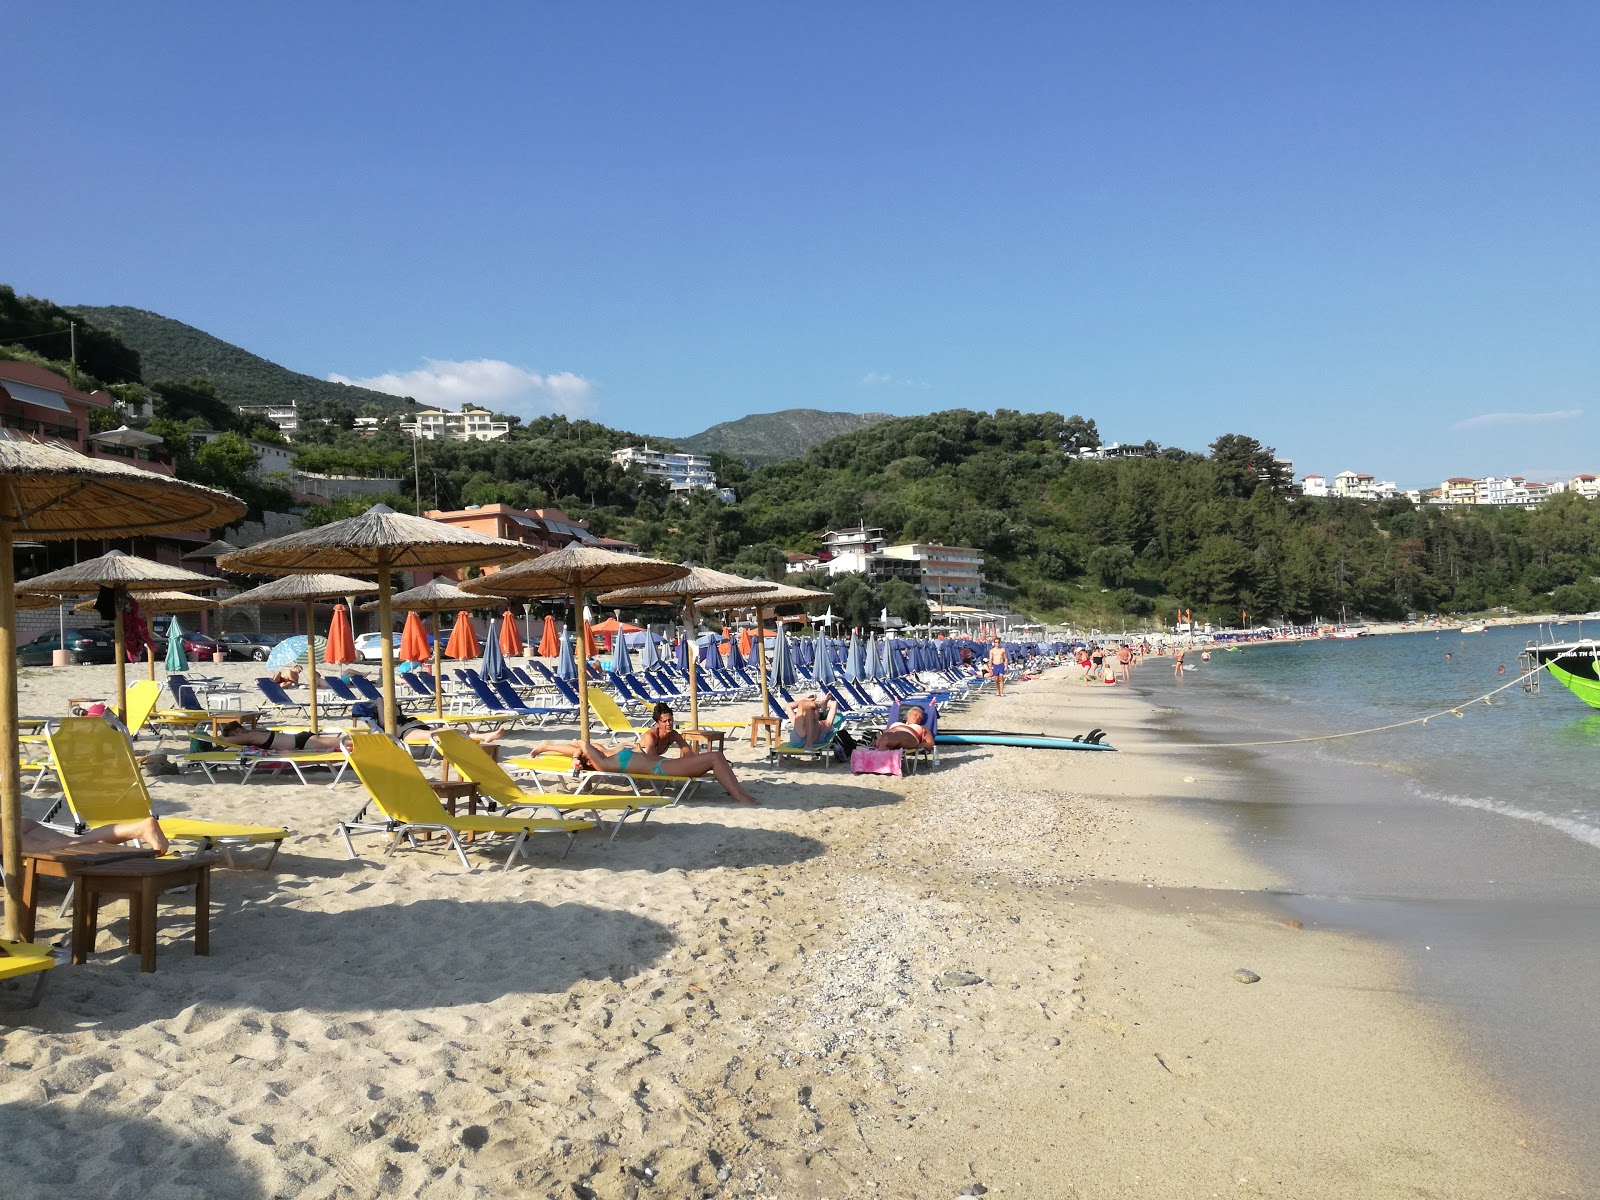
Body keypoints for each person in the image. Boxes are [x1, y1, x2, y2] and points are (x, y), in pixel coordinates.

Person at [576, 738, 760, 804]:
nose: (597, 750)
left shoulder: (607, 756)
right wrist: (578, 751)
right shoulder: (603, 764)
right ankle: (741, 797)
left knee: (717, 758)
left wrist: (577, 756)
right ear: (590, 762)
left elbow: (591, 746)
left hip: (664, 763)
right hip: (660, 769)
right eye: (591, 755)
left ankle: (742, 795)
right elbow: (584, 744)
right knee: (715, 757)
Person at [20, 814, 169, 855]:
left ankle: (96, 848)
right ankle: (139, 828)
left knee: (66, 848)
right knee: (74, 842)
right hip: (18, 822)